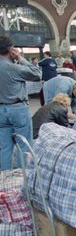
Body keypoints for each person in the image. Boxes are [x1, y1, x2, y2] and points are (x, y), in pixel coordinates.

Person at [0, 36, 42, 170]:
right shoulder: (13, 68)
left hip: (1, 111)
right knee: (24, 145)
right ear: (10, 49)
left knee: (4, 147)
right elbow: (37, 74)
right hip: (18, 109)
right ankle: (22, 176)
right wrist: (20, 58)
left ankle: (5, 178)